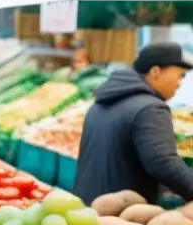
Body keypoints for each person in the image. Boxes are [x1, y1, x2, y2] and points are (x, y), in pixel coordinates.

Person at [74, 43, 193, 204]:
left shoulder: (100, 102)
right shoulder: (151, 108)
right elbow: (163, 163)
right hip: (119, 212)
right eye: (180, 75)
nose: (180, 83)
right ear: (155, 71)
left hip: (88, 205)